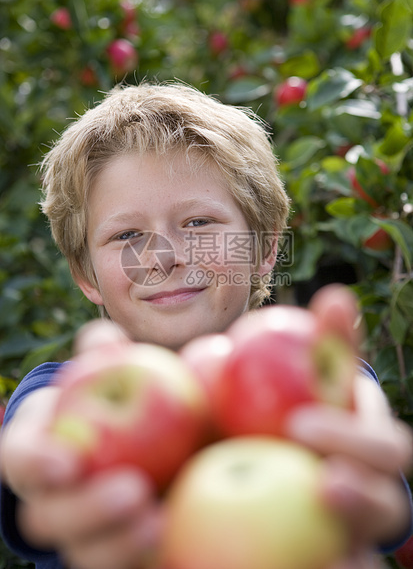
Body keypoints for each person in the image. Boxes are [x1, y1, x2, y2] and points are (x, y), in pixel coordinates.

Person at [0, 82, 411, 569]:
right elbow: (40, 428)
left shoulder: (313, 374)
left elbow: (363, 454)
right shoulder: (61, 393)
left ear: (264, 251)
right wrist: (46, 463)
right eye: (127, 234)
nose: (165, 257)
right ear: (86, 276)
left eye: (198, 223)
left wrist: (348, 424)